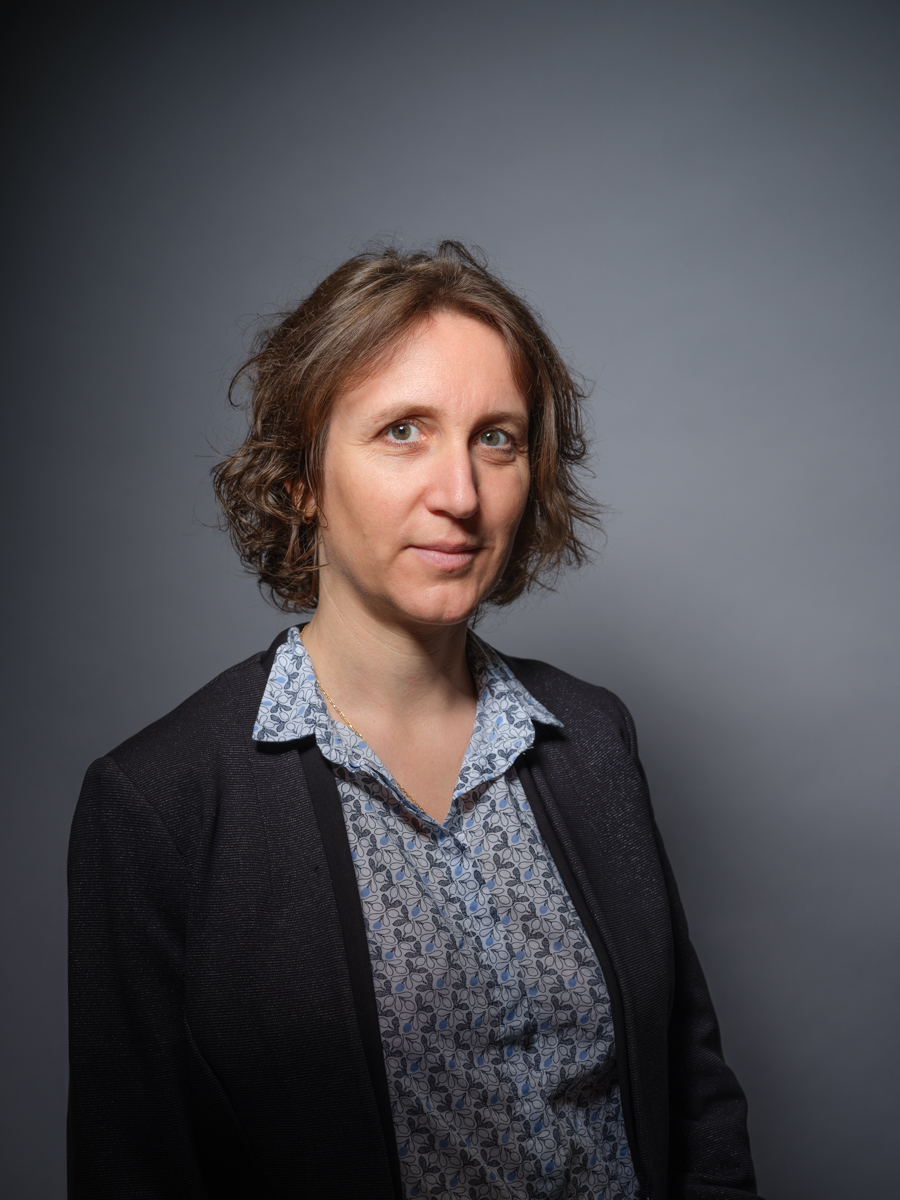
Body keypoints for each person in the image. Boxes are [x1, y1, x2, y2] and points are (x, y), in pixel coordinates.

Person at [68, 241, 761, 1200]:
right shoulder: (158, 803)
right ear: (300, 478)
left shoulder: (591, 738)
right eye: (403, 431)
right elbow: (133, 1163)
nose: (461, 495)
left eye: (497, 439)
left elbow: (695, 1102)